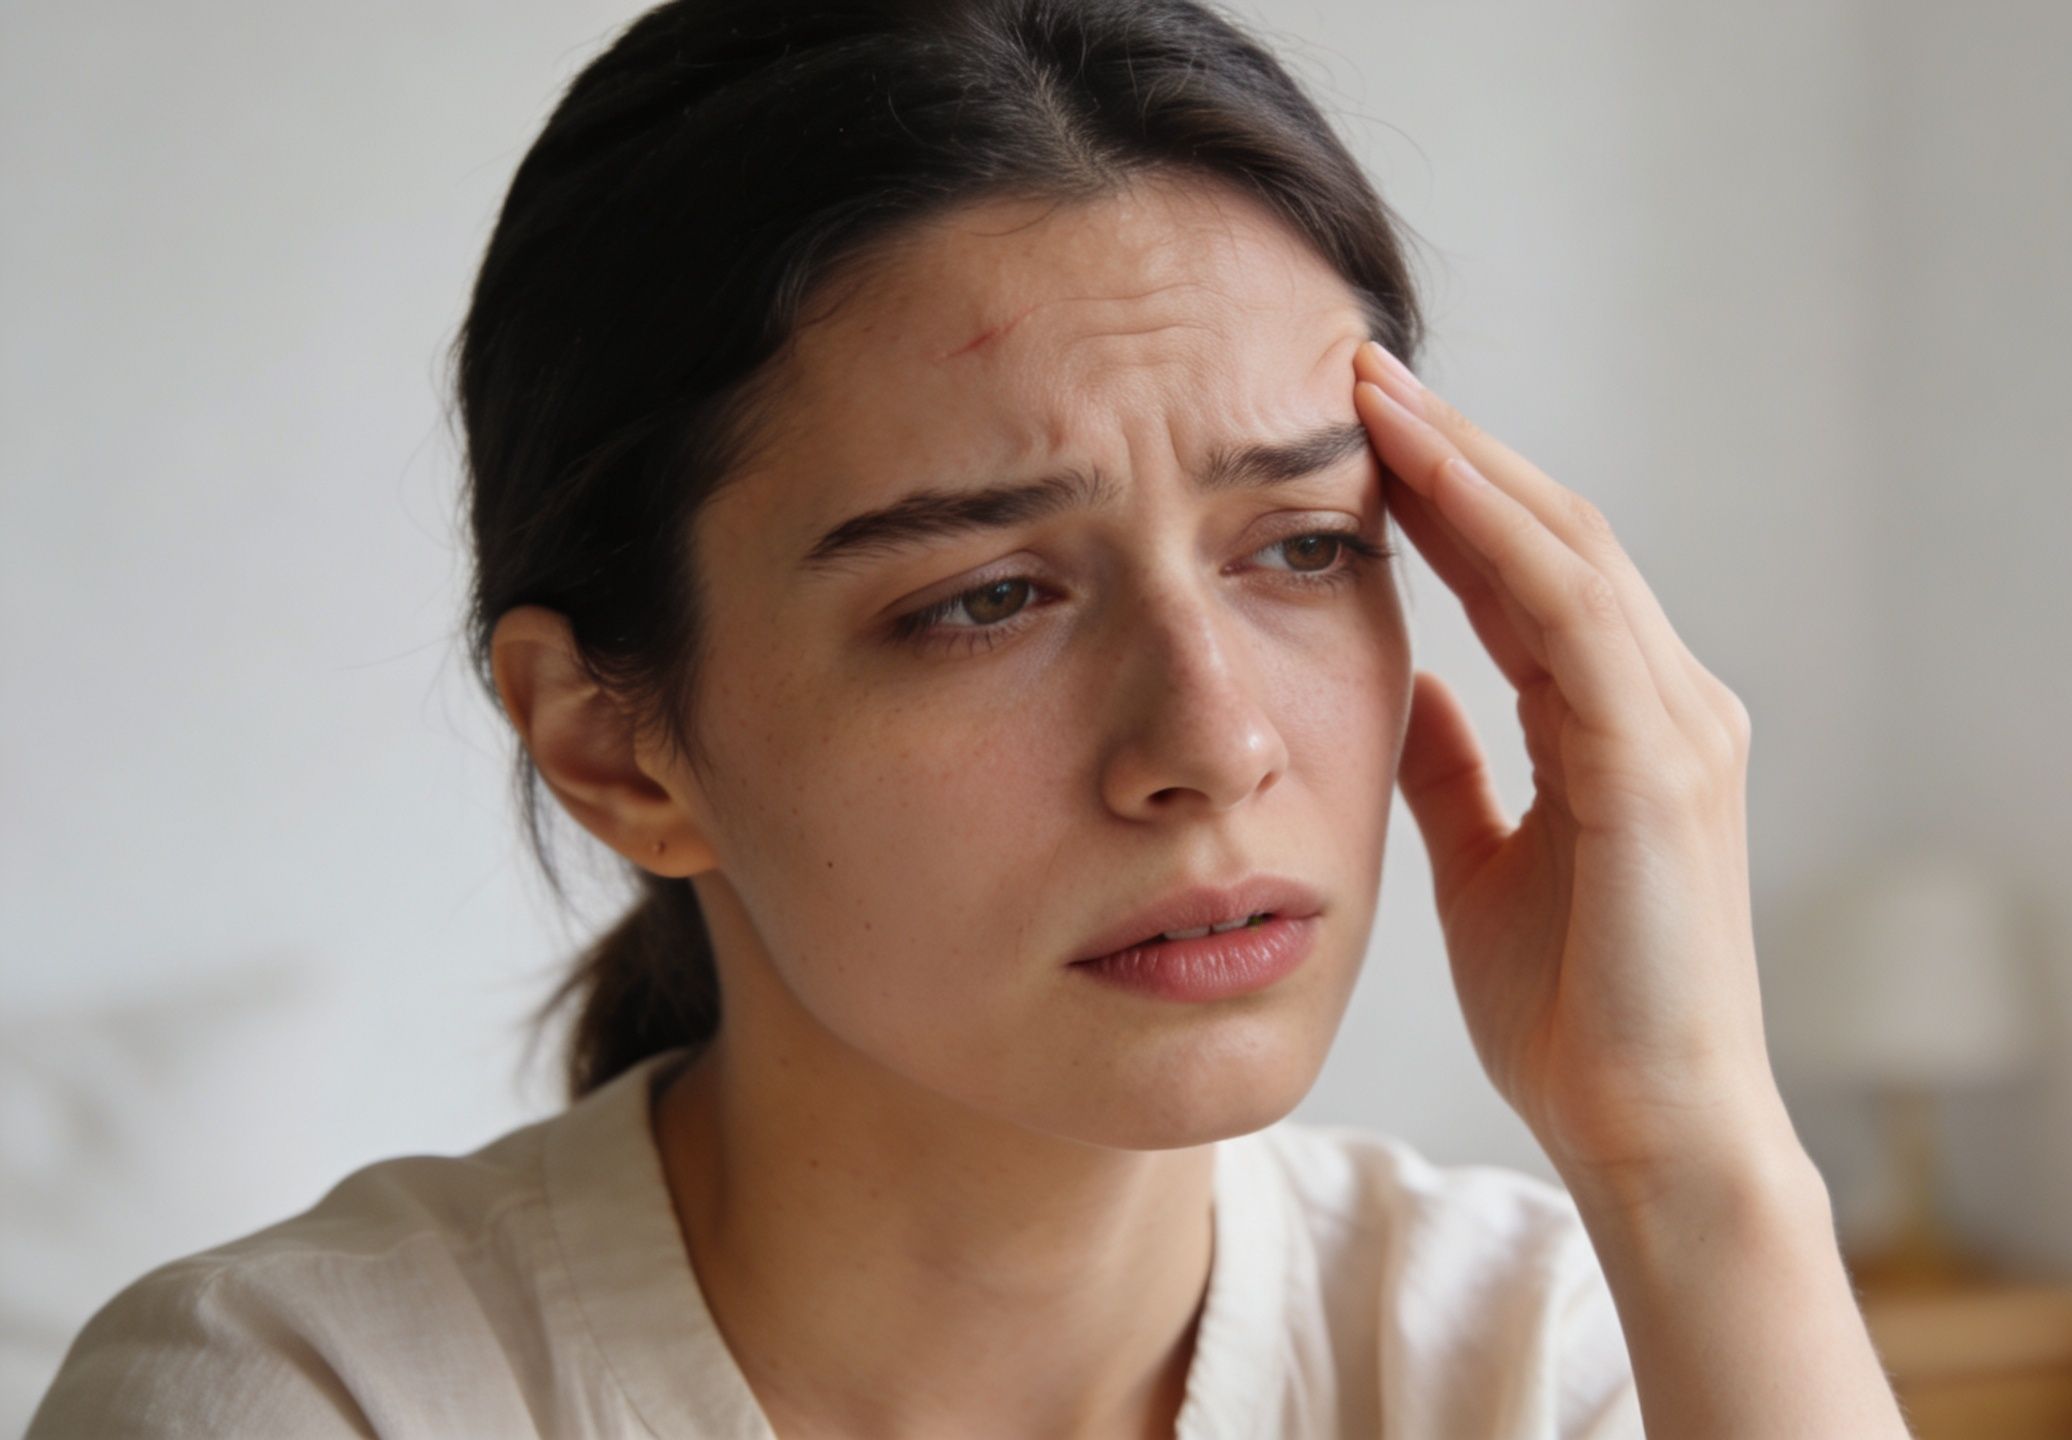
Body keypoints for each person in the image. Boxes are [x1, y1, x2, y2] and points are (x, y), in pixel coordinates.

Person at [30, 1, 1908, 1435]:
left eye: (1303, 547)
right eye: (986, 598)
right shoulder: (305, 1394)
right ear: (615, 742)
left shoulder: (1539, 1354)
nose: (1214, 740)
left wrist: (1693, 1153)